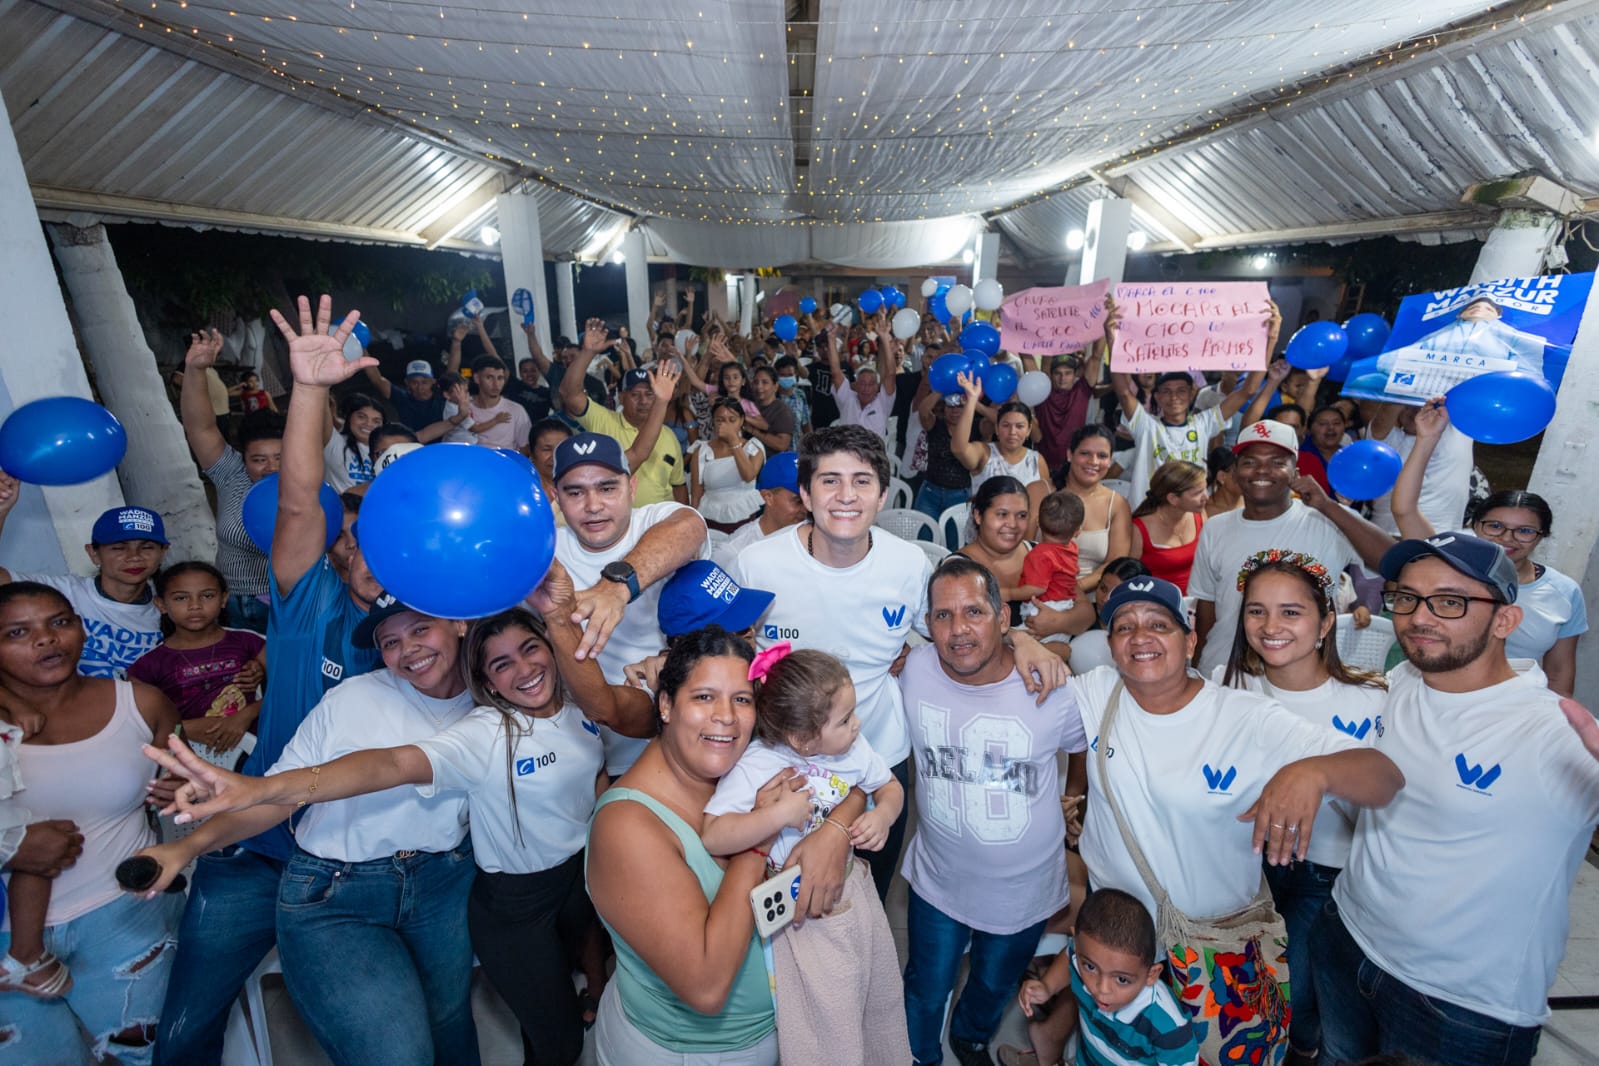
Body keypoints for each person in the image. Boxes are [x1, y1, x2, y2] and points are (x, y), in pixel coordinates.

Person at [136, 588, 655, 1066]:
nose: (409, 650)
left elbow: (584, 747)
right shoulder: (354, 701)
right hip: (337, 891)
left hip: (441, 882)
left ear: (457, 626)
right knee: (398, 1053)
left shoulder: (499, 697)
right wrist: (190, 846)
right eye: (390, 642)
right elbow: (385, 766)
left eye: (420, 629)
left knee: (451, 1026)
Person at [153, 295, 385, 1065]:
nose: (366, 552)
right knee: (184, 1033)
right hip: (254, 851)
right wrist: (310, 390)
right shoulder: (306, 601)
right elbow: (295, 503)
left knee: (377, 1040)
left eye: (384, 537)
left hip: (361, 867)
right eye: (352, 538)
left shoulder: (436, 637)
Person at [1069, 575, 1402, 1066]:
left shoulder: (1244, 718)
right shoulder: (1097, 692)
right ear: (1111, 645)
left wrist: (1313, 773)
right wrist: (1025, 643)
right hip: (1117, 953)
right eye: (1125, 626)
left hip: (1216, 952)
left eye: (1158, 624)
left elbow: (1384, 778)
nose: (1140, 637)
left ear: (1190, 641)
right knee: (1115, 1053)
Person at [734, 427, 1070, 900]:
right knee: (780, 905)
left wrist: (1017, 637)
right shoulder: (756, 565)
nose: (846, 496)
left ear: (883, 495)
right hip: (782, 767)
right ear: (806, 494)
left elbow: (958, 629)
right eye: (830, 481)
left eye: (862, 481)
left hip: (878, 763)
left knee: (865, 899)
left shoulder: (909, 565)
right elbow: (728, 658)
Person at [1314, 532, 1599, 1066]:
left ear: (1505, 620)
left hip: (1459, 1006)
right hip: (1347, 937)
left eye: (1450, 601)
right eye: (1407, 597)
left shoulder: (1554, 731)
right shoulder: (1405, 680)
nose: (1419, 617)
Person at [584, 627, 864, 1065]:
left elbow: (853, 780)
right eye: (704, 697)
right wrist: (759, 838)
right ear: (665, 704)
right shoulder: (627, 828)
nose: (726, 717)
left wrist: (835, 833)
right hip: (691, 1052)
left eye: (742, 699)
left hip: (778, 1026)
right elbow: (706, 988)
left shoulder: (740, 763)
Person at [898, 556, 1089, 1066]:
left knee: (993, 984)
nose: (958, 629)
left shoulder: (1050, 689)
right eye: (943, 615)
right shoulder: (914, 669)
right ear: (927, 623)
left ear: (1003, 617)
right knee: (924, 986)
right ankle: (920, 1057)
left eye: (974, 612)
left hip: (1023, 890)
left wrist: (1075, 795)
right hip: (938, 881)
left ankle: (970, 1039)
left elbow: (1083, 745)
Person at [0, 581, 181, 1066]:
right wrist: (12, 849)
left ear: (82, 629)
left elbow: (182, 779)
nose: (45, 639)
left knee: (145, 1057)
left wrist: (182, 789)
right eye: (18, 632)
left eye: (59, 622)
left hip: (124, 918)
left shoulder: (142, 704)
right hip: (5, 945)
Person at [701, 646, 911, 1064]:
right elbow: (713, 835)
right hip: (800, 914)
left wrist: (884, 815)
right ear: (801, 739)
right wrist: (777, 815)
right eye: (845, 719)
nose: (858, 724)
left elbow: (889, 786)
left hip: (853, 892)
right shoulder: (758, 765)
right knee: (827, 1019)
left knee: (872, 994)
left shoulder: (853, 748)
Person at [1219, 551, 1388, 1065]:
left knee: (1300, 993)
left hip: (1328, 874)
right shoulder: (1228, 688)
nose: (1271, 627)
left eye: (1291, 612)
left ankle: (1301, 1048)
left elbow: (1389, 791)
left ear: (1326, 622)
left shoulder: (1373, 698)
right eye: (1257, 611)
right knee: (1254, 992)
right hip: (1245, 867)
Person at [1389, 400, 1585, 695]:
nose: (1507, 538)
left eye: (1525, 531)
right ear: (1476, 525)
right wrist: (1427, 438)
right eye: (1494, 526)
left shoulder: (1565, 592)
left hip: (1514, 706)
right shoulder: (1450, 562)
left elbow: (1559, 674)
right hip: (1440, 695)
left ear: (1542, 536)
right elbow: (1404, 509)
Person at [551, 431, 708, 777]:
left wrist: (616, 588)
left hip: (670, 740)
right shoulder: (546, 551)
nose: (593, 505)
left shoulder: (654, 520)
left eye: (607, 488)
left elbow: (690, 527)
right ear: (555, 498)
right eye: (575, 492)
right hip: (581, 751)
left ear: (632, 488)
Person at [1188, 419, 1392, 677]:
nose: (1262, 470)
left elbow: (1393, 562)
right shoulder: (1215, 528)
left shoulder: (1328, 519)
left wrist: (1327, 505)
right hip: (1224, 671)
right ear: (1236, 471)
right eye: (1250, 462)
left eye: (1277, 462)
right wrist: (1197, 669)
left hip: (1302, 677)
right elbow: (1207, 607)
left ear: (1295, 472)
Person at [1013, 888, 1199, 1066]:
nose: (1101, 990)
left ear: (1151, 975)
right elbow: (1070, 955)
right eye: (1091, 967)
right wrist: (1047, 986)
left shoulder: (1168, 1027)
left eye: (1122, 980)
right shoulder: (1082, 960)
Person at [179, 327, 281, 633]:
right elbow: (200, 428)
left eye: (280, 458)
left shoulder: (305, 482)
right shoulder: (232, 474)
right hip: (231, 604)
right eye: (259, 459)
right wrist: (196, 369)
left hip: (287, 605)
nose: (270, 468)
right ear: (243, 457)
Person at [0, 500, 167, 679]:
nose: (134, 557)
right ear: (93, 553)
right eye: (119, 548)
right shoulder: (63, 592)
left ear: (163, 552)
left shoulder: (171, 608)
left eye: (147, 547)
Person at [128, 561, 266, 759]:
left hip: (256, 752)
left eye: (207, 596)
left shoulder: (249, 642)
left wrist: (246, 715)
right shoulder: (148, 665)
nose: (195, 606)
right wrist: (186, 728)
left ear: (224, 599)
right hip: (187, 759)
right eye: (181, 598)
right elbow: (138, 725)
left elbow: (290, 689)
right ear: (161, 604)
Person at [1107, 353, 1265, 509]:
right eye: (1167, 391)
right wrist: (1113, 343)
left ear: (1191, 394)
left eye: (1181, 391)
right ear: (1157, 397)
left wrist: (1270, 341)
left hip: (1190, 513)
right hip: (1149, 513)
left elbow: (1247, 391)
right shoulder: (1146, 425)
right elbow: (1124, 393)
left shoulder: (1203, 423)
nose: (1174, 397)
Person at [561, 320, 686, 504]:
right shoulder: (603, 420)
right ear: (621, 397)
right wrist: (587, 353)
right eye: (635, 394)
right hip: (617, 519)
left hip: (662, 518)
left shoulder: (668, 435)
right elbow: (569, 394)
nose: (643, 401)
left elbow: (678, 485)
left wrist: (686, 515)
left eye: (650, 394)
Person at [952, 373, 1054, 535]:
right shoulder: (984, 453)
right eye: (1006, 425)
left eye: (1019, 426)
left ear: (1028, 430)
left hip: (1022, 539)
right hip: (983, 540)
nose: (1012, 432)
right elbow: (959, 449)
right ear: (997, 429)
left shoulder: (1037, 460)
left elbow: (1045, 504)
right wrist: (971, 400)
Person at [1054, 425, 1132, 593]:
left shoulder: (1118, 505)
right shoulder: (1041, 491)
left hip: (1090, 598)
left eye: (1102, 456)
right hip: (1035, 593)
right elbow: (1022, 550)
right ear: (1070, 455)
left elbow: (1114, 564)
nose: (1093, 462)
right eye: (1085, 453)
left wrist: (1073, 590)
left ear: (1110, 461)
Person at [711, 451, 808, 570]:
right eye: (798, 501)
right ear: (768, 497)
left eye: (811, 499)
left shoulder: (820, 537)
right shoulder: (734, 553)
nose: (807, 508)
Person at [1128, 460, 1207, 593]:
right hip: (1157, 600)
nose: (1206, 497)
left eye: (1204, 489)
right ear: (1173, 499)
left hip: (1196, 598)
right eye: (1197, 493)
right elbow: (1128, 576)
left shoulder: (1199, 514)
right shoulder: (1138, 529)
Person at [689, 398, 765, 532]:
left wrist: (733, 441)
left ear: (741, 421)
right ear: (713, 422)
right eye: (720, 420)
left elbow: (748, 475)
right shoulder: (701, 451)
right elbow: (696, 494)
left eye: (732, 420)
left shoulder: (753, 447)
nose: (725, 425)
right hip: (710, 518)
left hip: (745, 518)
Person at [1018, 490, 1083, 638]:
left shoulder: (1040, 554)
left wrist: (1009, 593)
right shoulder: (1072, 548)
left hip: (1042, 609)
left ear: (1038, 523)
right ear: (1078, 531)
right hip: (1066, 605)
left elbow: (1036, 589)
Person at [825, 312, 896, 436]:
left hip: (873, 449)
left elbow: (890, 375)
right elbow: (836, 372)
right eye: (862, 383)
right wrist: (831, 338)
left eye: (871, 384)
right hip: (846, 448)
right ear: (856, 385)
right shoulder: (847, 399)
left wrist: (885, 338)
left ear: (877, 387)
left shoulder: (883, 402)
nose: (866, 388)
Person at [1031, 351, 1102, 472]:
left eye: (1067, 373)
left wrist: (1105, 337)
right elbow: (1034, 360)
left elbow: (1096, 357)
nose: (1062, 378)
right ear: (1050, 375)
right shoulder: (1042, 392)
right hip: (1043, 468)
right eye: (1057, 373)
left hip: (1073, 468)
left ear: (1075, 374)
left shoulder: (1082, 391)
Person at [467, 353, 534, 454]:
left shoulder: (516, 410)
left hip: (505, 462)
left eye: (500, 378)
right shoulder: (464, 409)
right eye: (489, 377)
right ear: (477, 378)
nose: (496, 384)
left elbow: (525, 448)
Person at [363, 356, 446, 434]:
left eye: (424, 382)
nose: (420, 387)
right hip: (410, 443)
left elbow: (451, 374)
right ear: (407, 382)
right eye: (414, 382)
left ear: (433, 381)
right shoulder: (402, 398)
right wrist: (362, 348)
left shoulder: (443, 397)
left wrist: (454, 345)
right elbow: (377, 380)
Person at [746, 365, 798, 454]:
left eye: (765, 382)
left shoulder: (782, 411)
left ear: (775, 386)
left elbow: (782, 445)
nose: (759, 387)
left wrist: (753, 431)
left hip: (771, 460)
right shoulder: (750, 405)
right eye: (756, 382)